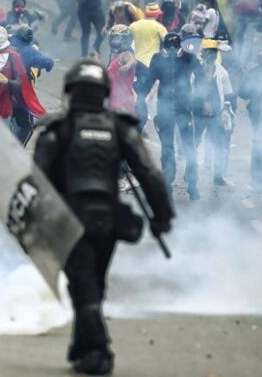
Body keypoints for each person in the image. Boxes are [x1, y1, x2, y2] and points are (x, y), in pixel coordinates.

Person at [33, 59, 174, 376]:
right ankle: (81, 348)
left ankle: (99, 352)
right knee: (91, 283)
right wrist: (162, 216)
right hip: (109, 219)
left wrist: (37, 226)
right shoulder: (120, 128)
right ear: (104, 92)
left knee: (84, 286)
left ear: (71, 92)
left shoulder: (58, 130)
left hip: (70, 220)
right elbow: (149, 175)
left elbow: (36, 182)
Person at [141, 32, 205, 200]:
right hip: (165, 110)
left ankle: (192, 184)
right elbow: (148, 81)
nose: (171, 50)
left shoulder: (188, 58)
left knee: (189, 147)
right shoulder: (158, 59)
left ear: (178, 47)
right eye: (169, 47)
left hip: (184, 109)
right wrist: (139, 98)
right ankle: (168, 184)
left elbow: (201, 76)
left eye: (174, 47)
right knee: (168, 148)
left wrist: (199, 100)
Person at [0, 25, 45, 121]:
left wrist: (6, 81)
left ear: (1, 37)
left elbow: (20, 83)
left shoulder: (13, 56)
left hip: (3, 107)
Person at [194, 39, 234, 185]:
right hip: (198, 114)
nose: (211, 55)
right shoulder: (196, 71)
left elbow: (228, 94)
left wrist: (225, 111)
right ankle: (192, 175)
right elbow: (192, 92)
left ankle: (217, 176)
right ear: (203, 54)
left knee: (218, 144)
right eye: (208, 52)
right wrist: (204, 102)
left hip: (216, 115)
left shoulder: (221, 72)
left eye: (213, 52)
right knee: (193, 143)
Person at [10, 26, 54, 144]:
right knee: (26, 127)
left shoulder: (6, 45)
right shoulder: (28, 50)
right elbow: (48, 62)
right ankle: (14, 154)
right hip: (18, 95)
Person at [129, 3, 167, 129]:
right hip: (151, 65)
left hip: (134, 62)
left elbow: (127, 41)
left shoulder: (134, 25)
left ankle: (135, 115)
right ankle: (141, 118)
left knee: (135, 90)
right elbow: (167, 42)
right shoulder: (160, 27)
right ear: (157, 14)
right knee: (144, 94)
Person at [105, 24, 137, 113]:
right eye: (114, 38)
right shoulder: (113, 56)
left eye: (119, 39)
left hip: (122, 104)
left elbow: (132, 60)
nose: (116, 42)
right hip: (112, 100)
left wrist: (127, 65)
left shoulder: (126, 53)